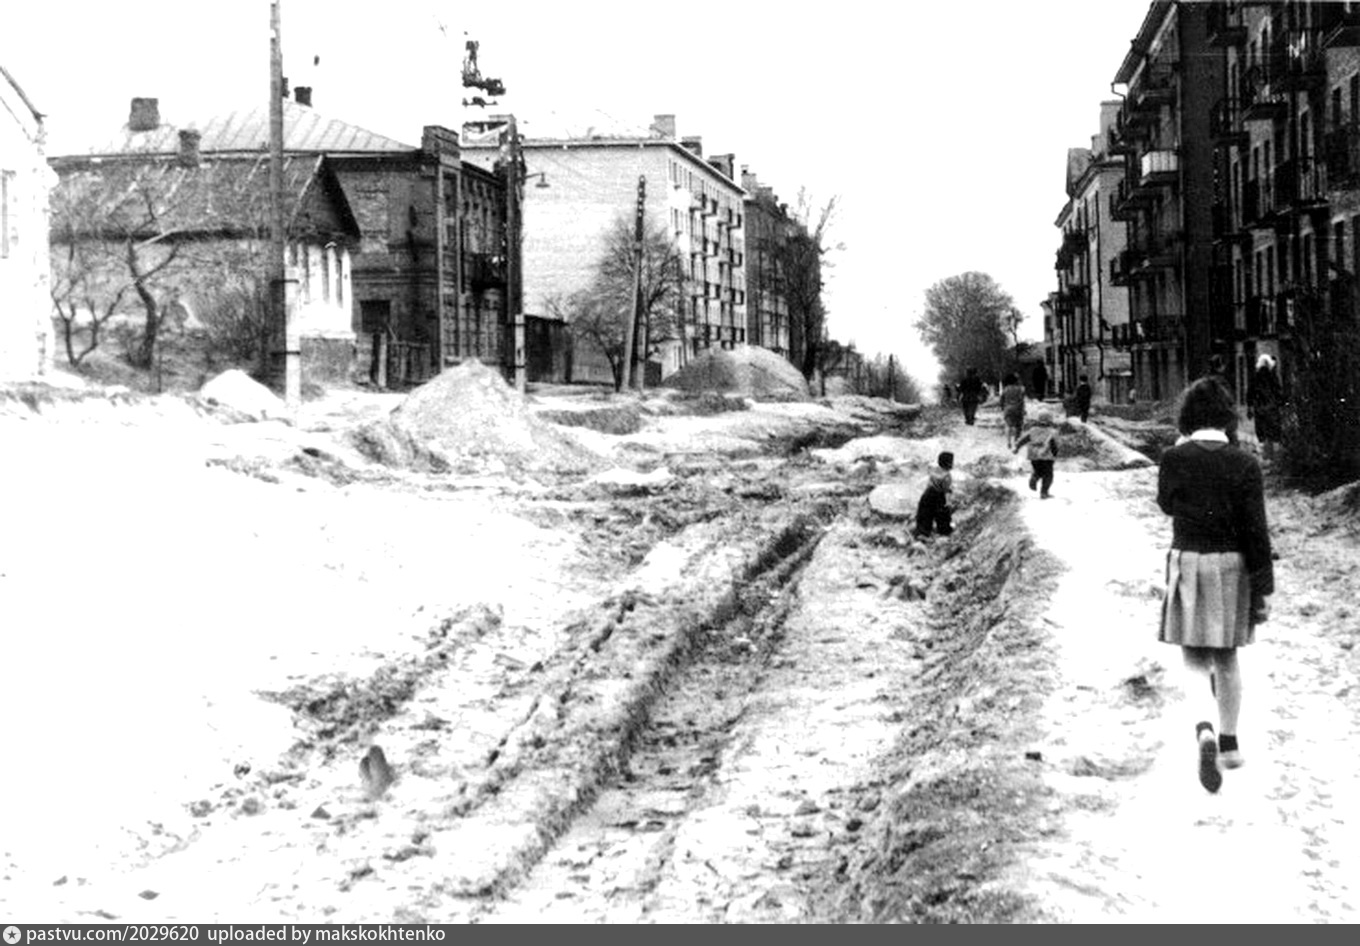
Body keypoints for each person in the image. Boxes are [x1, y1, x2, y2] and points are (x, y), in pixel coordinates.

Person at [1157, 377, 1274, 794]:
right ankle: (1229, 742)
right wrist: (1263, 586)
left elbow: (1166, 504)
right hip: (1232, 566)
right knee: (1227, 658)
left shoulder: (1174, 457)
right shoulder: (1245, 463)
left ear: (1187, 416)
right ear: (1227, 417)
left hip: (1189, 560)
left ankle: (1202, 728)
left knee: (1193, 657)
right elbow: (1256, 530)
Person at [1013, 411, 1060, 499]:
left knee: (1037, 470)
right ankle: (1044, 493)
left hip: (1033, 455)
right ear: (1050, 420)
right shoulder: (1053, 432)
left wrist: (1017, 447)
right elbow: (1056, 444)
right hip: (1047, 456)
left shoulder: (1032, 430)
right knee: (1048, 475)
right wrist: (1055, 454)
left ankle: (1034, 478)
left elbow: (1023, 439)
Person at [1247, 353, 1284, 462]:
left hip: (1259, 408)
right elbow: (1278, 392)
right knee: (1273, 433)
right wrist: (1281, 404)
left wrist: (1250, 407)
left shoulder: (1255, 376)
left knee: (1262, 433)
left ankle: (1264, 457)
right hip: (1272, 408)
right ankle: (1273, 457)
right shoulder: (1272, 376)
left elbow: (1250, 393)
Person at [913, 451, 955, 539]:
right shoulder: (947, 476)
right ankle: (944, 531)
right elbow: (947, 490)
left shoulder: (934, 470)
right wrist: (948, 502)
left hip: (928, 494)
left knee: (925, 513)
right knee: (942, 514)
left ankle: (922, 532)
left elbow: (929, 483)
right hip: (939, 496)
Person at [999, 372, 1027, 451]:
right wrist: (1023, 410)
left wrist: (1002, 408)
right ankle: (1016, 441)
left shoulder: (1005, 389)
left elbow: (1001, 400)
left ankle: (1008, 442)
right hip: (1018, 409)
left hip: (1008, 409)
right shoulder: (1021, 389)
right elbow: (1022, 400)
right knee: (1019, 427)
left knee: (1008, 425)